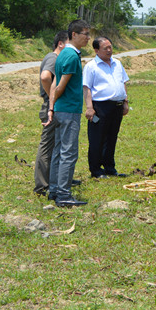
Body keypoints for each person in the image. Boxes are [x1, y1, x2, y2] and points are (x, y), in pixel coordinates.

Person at [45, 20, 91, 207]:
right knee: (68, 153)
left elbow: (54, 82)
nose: (88, 38)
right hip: (69, 110)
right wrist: (53, 104)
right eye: (85, 34)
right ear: (74, 34)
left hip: (60, 110)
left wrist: (51, 107)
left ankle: (54, 189)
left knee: (58, 151)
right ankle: (64, 195)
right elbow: (60, 86)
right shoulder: (72, 56)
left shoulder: (63, 53)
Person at [83, 37, 130, 178]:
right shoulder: (91, 66)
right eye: (105, 48)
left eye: (110, 47)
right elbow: (86, 88)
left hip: (117, 105)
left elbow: (123, 82)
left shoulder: (117, 63)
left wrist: (125, 101)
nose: (109, 50)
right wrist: (89, 108)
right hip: (100, 107)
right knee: (97, 138)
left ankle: (110, 168)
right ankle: (96, 170)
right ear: (96, 50)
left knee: (112, 137)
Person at [34, 31, 70, 196]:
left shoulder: (58, 59)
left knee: (57, 145)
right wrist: (52, 100)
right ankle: (42, 185)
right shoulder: (53, 58)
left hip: (55, 106)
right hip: (52, 107)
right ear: (60, 44)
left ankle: (55, 179)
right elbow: (45, 77)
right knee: (47, 146)